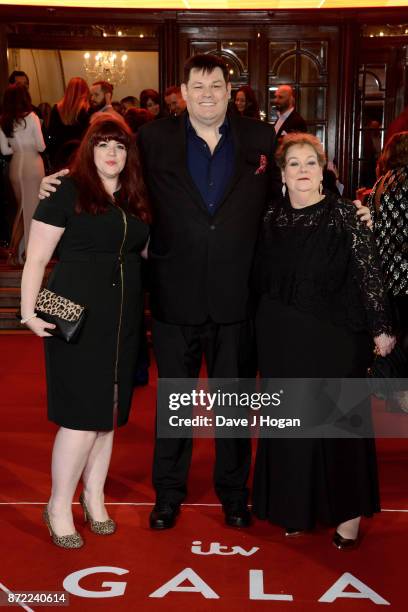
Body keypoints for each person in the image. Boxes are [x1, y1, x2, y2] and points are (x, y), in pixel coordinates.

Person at [38, 55, 372, 532]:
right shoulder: (153, 138)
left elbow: (293, 190)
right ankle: (168, 494)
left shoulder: (259, 138)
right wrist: (64, 177)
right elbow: (109, 166)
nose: (208, 94)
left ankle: (234, 495)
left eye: (216, 85)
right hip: (176, 293)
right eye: (199, 86)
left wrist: (347, 212)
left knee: (232, 405)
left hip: (239, 297)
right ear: (185, 90)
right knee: (175, 405)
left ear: (228, 88)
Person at [252, 133, 395, 549]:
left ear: (324, 171)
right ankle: (295, 507)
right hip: (280, 334)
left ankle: (347, 516)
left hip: (335, 335)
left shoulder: (346, 215)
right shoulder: (270, 216)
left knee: (338, 425)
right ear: (282, 174)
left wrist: (381, 327)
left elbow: (369, 274)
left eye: (310, 163)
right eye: (293, 164)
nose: (302, 171)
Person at [20, 116, 150, 548]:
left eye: (119, 146)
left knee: (107, 416)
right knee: (80, 419)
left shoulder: (133, 196)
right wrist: (27, 311)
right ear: (88, 150)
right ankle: (58, 504)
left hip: (122, 320)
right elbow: (36, 259)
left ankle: (93, 497)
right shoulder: (66, 191)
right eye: (102, 146)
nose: (111, 154)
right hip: (73, 315)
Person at [368, 131, 408, 410]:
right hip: (407, 269)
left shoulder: (380, 184)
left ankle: (391, 390)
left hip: (385, 271)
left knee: (394, 332)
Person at [0, 83, 45, 263]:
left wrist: (18, 149)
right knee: (31, 209)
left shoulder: (3, 120)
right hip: (32, 164)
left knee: (21, 207)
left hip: (16, 165)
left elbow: (4, 151)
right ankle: (20, 251)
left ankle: (19, 253)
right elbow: (41, 146)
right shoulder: (32, 117)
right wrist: (28, 146)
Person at [47, 77, 90, 170]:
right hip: (79, 156)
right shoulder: (85, 111)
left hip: (60, 156)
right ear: (84, 92)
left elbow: (51, 134)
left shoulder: (56, 108)